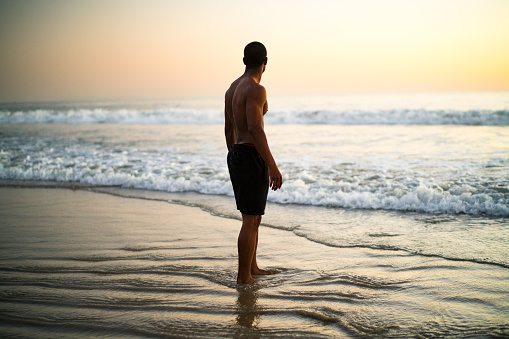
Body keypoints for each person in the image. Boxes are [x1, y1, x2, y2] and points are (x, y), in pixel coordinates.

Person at [224, 41, 283, 284]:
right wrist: (272, 165)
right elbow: (257, 130)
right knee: (250, 220)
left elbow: (229, 128)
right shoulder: (256, 89)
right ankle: (243, 277)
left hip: (238, 152)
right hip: (250, 153)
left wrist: (233, 156)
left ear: (244, 61)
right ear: (265, 62)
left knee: (254, 217)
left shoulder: (233, 88)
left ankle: (253, 267)